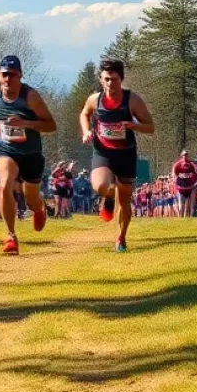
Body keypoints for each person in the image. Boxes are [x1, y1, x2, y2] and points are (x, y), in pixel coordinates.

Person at [79, 58, 155, 252]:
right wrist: (87, 131)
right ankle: (108, 197)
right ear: (101, 79)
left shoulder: (133, 100)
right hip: (103, 151)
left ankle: (121, 237)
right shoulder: (95, 100)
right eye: (106, 79)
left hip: (126, 153)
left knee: (125, 200)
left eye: (114, 79)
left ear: (121, 79)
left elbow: (150, 127)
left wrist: (133, 125)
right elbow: (84, 113)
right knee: (101, 186)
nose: (110, 83)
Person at [0, 55, 57, 255]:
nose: (9, 79)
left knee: (31, 197)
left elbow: (51, 125)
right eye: (5, 75)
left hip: (31, 153)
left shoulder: (30, 97)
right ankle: (10, 236)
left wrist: (25, 123)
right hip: (7, 150)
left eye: (13, 75)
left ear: (20, 75)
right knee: (4, 185)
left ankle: (39, 208)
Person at [172, 150, 197, 217]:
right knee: (181, 205)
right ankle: (181, 218)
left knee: (191, 204)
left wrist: (196, 185)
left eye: (186, 155)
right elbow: (174, 175)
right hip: (181, 188)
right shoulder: (177, 164)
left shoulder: (193, 164)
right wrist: (176, 182)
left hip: (191, 187)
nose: (185, 156)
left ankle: (191, 217)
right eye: (183, 155)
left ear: (188, 156)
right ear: (181, 156)